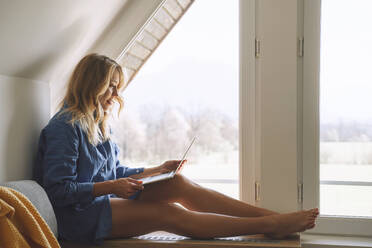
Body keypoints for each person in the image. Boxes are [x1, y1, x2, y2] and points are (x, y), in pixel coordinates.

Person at [34, 53, 318, 244]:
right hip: (77, 217)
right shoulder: (64, 126)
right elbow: (58, 190)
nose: (116, 95)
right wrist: (112, 187)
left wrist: (157, 170)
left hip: (103, 200)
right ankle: (268, 226)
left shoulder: (98, 124)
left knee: (178, 182)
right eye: (110, 86)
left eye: (117, 87)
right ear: (91, 85)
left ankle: (273, 218)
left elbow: (113, 171)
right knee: (167, 213)